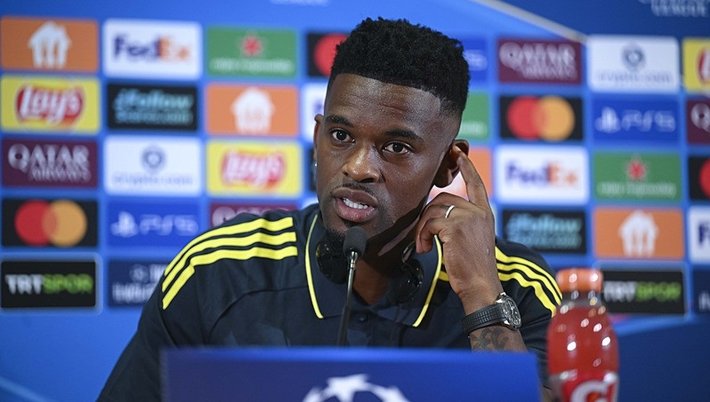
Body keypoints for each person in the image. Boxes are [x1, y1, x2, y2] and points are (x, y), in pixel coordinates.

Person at [99, 17, 561, 401]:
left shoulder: (515, 284)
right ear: (318, 135)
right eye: (341, 136)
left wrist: (481, 296)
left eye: (396, 147)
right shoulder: (218, 273)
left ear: (447, 166)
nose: (358, 168)